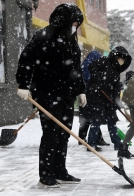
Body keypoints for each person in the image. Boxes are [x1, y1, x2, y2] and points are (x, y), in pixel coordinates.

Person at [15, 4, 85, 188]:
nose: (75, 27)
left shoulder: (71, 40)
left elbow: (76, 68)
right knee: (51, 134)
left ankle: (60, 171)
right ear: (63, 21)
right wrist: (23, 84)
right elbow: (26, 60)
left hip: (67, 95)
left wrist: (81, 89)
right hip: (47, 94)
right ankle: (45, 175)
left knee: (64, 134)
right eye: (73, 23)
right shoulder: (43, 37)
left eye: (77, 24)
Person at [79, 46, 132, 152]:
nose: (123, 62)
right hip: (95, 95)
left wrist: (116, 101)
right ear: (117, 57)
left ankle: (117, 143)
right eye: (122, 59)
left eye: (124, 60)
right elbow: (91, 66)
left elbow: (116, 87)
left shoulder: (117, 71)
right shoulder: (104, 61)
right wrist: (97, 80)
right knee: (96, 120)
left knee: (112, 120)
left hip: (107, 98)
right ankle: (91, 144)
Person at [78, 50, 110, 147]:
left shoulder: (85, 66)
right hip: (88, 95)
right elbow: (89, 80)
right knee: (92, 117)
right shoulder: (89, 68)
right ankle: (87, 138)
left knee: (90, 117)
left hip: (85, 95)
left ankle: (85, 138)